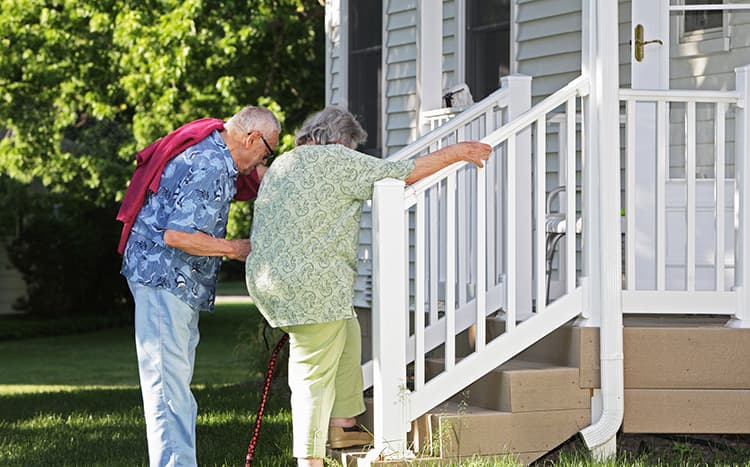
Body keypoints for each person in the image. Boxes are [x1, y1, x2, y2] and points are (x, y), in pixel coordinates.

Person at [244, 106, 491, 467]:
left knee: (347, 331)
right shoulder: (337, 160)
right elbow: (402, 173)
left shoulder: (283, 164)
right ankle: (308, 459)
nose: (353, 155)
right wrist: (458, 152)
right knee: (311, 374)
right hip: (314, 289)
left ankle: (343, 424)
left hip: (274, 283)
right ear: (341, 141)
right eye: (353, 148)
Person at [118, 106, 280, 466]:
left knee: (174, 385)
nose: (261, 162)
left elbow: (265, 178)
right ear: (252, 138)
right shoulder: (207, 165)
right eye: (266, 153)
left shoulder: (217, 158)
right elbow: (177, 235)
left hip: (175, 282)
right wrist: (237, 249)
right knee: (167, 389)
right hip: (163, 279)